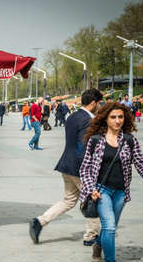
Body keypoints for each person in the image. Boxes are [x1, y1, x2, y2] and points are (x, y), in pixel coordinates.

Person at [79, 102, 143, 262]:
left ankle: (98, 244)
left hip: (121, 192)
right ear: (105, 119)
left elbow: (140, 162)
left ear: (125, 118)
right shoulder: (96, 140)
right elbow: (85, 168)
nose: (117, 120)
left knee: (109, 227)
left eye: (120, 117)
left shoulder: (129, 140)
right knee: (110, 227)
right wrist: (91, 189)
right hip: (101, 191)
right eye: (113, 117)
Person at [29, 89, 103, 246]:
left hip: (66, 164)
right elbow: (83, 147)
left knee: (69, 200)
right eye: (99, 103)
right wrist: (89, 171)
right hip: (79, 167)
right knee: (92, 199)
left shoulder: (72, 117)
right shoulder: (89, 121)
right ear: (93, 103)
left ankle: (40, 221)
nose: (100, 106)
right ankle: (91, 236)